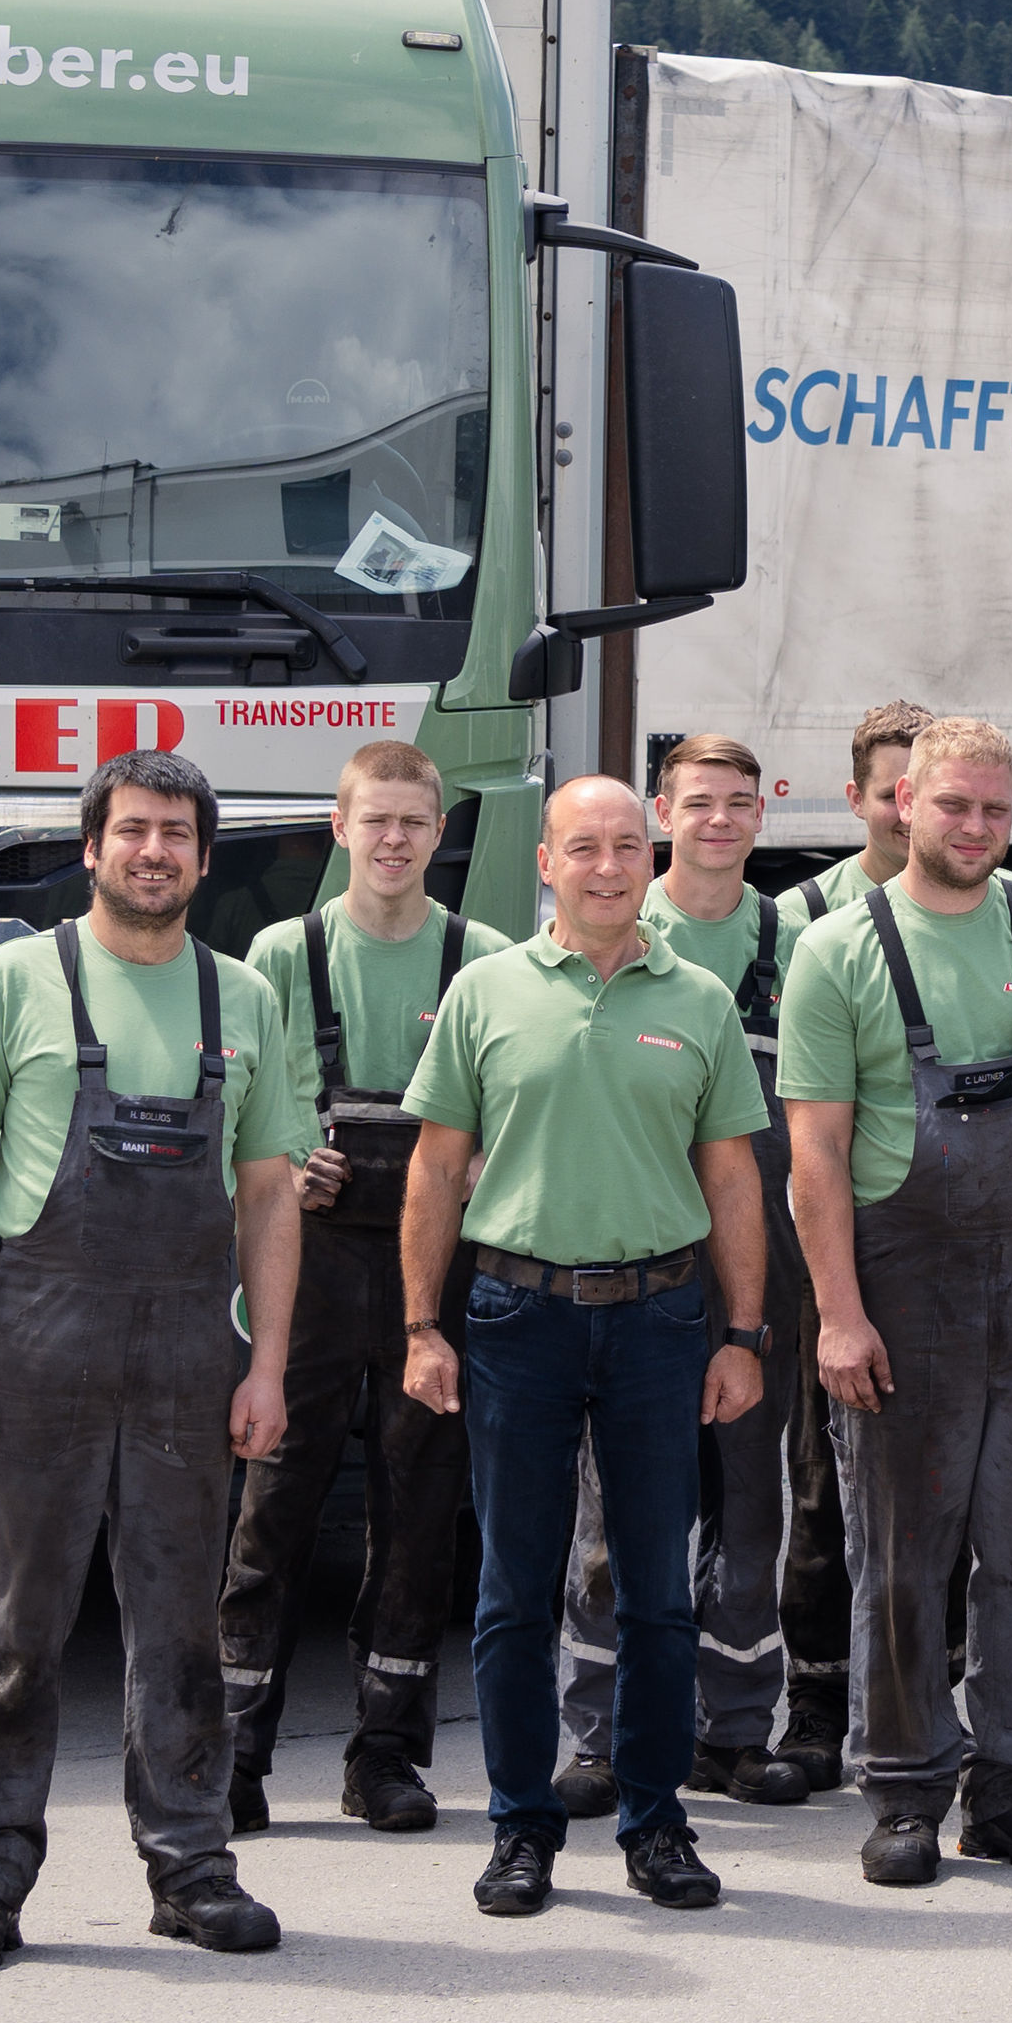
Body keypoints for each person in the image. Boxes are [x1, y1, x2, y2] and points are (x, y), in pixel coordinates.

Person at [0, 751, 313, 1973]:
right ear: (92, 848)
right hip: (41, 1335)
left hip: (195, 1344)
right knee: (19, 1620)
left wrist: (268, 1368)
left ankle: (192, 1865)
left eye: (178, 834)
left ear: (204, 856)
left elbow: (269, 1194)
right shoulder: (17, 981)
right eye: (133, 830)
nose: (155, 852)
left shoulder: (242, 998)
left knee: (180, 1623)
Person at [399, 776, 773, 1918]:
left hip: (663, 1321)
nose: (608, 866)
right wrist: (422, 1324)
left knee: (660, 1592)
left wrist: (743, 1334)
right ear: (546, 865)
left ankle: (655, 1822)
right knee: (515, 1590)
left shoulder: (699, 997)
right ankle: (521, 1828)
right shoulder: (486, 992)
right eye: (584, 847)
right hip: (517, 1317)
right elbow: (434, 1167)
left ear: (646, 854)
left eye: (626, 845)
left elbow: (731, 1178)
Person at [782, 716, 1012, 1886]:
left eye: (996, 810)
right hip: (905, 1286)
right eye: (953, 807)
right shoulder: (839, 949)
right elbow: (816, 1158)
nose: (976, 829)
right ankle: (902, 1790)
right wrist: (838, 1312)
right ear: (902, 806)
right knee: (903, 1553)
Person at [219, 741, 507, 1841]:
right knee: (272, 1508)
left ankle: (386, 1757)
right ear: (338, 830)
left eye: (413, 824)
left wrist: (482, 1161)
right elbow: (239, 1111)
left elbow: (509, 1104)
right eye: (373, 821)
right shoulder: (278, 956)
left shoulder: (480, 959)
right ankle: (235, 1752)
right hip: (313, 1264)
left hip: (433, 1267)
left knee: (420, 1514)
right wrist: (291, 1162)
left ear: (440, 837)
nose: (393, 841)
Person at [555, 736, 815, 1815]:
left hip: (766, 1252)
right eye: (697, 803)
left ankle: (737, 1728)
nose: (718, 821)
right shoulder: (616, 921)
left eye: (738, 804)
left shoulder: (797, 940)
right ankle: (600, 1734)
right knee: (616, 1507)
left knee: (753, 1500)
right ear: (663, 811)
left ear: (766, 814)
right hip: (635, 1250)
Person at [767, 696, 939, 1786]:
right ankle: (817, 1713)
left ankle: (932, 1710)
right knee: (821, 1488)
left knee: (941, 1494)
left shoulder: (998, 916)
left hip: (947, 1248)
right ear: (862, 797)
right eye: (891, 790)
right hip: (830, 1246)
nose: (908, 808)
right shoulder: (800, 921)